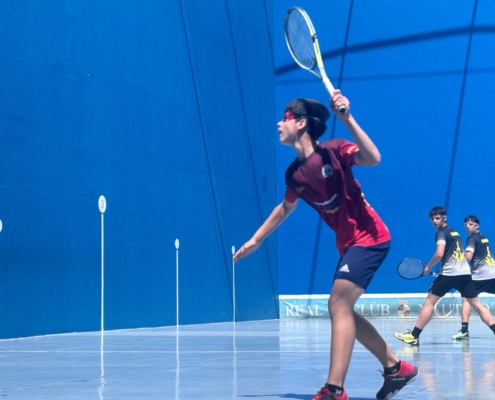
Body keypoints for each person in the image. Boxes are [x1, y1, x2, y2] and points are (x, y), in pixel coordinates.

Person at [233, 91, 418, 400]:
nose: (278, 124)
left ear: (301, 123)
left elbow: (373, 158)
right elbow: (285, 207)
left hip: (370, 238)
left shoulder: (334, 151)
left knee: (337, 304)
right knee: (344, 310)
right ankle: (396, 367)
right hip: (349, 245)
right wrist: (256, 239)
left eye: (285, 118)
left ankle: (334, 390)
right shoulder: (294, 174)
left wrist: (347, 118)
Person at [394, 207, 495, 346]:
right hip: (465, 275)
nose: (435, 221)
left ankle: (414, 336)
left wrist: (428, 267)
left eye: (437, 218)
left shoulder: (441, 233)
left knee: (429, 303)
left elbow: (439, 254)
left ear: (444, 218)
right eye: (432, 219)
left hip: (448, 275)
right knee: (477, 305)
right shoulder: (455, 232)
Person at [451, 215, 495, 340]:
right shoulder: (484, 238)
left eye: (470, 224)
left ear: (477, 225)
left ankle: (464, 331)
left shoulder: (471, 239)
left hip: (480, 277)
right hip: (492, 273)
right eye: (466, 225)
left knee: (467, 299)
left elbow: (468, 257)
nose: (467, 227)